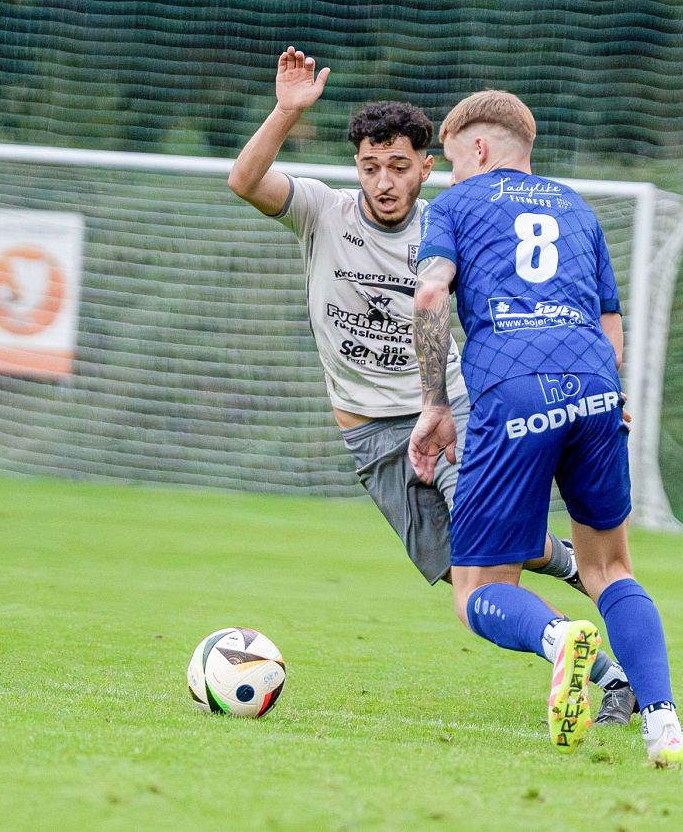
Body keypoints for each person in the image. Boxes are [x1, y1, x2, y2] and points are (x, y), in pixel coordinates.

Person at [226, 48, 636, 724]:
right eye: (369, 167)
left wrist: (441, 402)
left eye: (397, 166)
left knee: (476, 580)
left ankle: (594, 662)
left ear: (426, 166)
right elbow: (245, 180)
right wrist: (286, 111)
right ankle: (566, 575)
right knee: (464, 571)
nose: (383, 182)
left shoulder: (456, 223)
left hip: (451, 415)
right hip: (369, 437)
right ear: (355, 167)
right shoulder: (324, 214)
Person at [408, 90, 683, 766]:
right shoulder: (577, 208)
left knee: (479, 590)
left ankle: (559, 641)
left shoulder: (454, 206)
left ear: (477, 149)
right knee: (610, 566)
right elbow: (611, 327)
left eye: (450, 161)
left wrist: (433, 403)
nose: (448, 176)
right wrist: (596, 390)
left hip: (511, 389)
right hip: (597, 386)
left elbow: (428, 296)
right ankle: (665, 728)